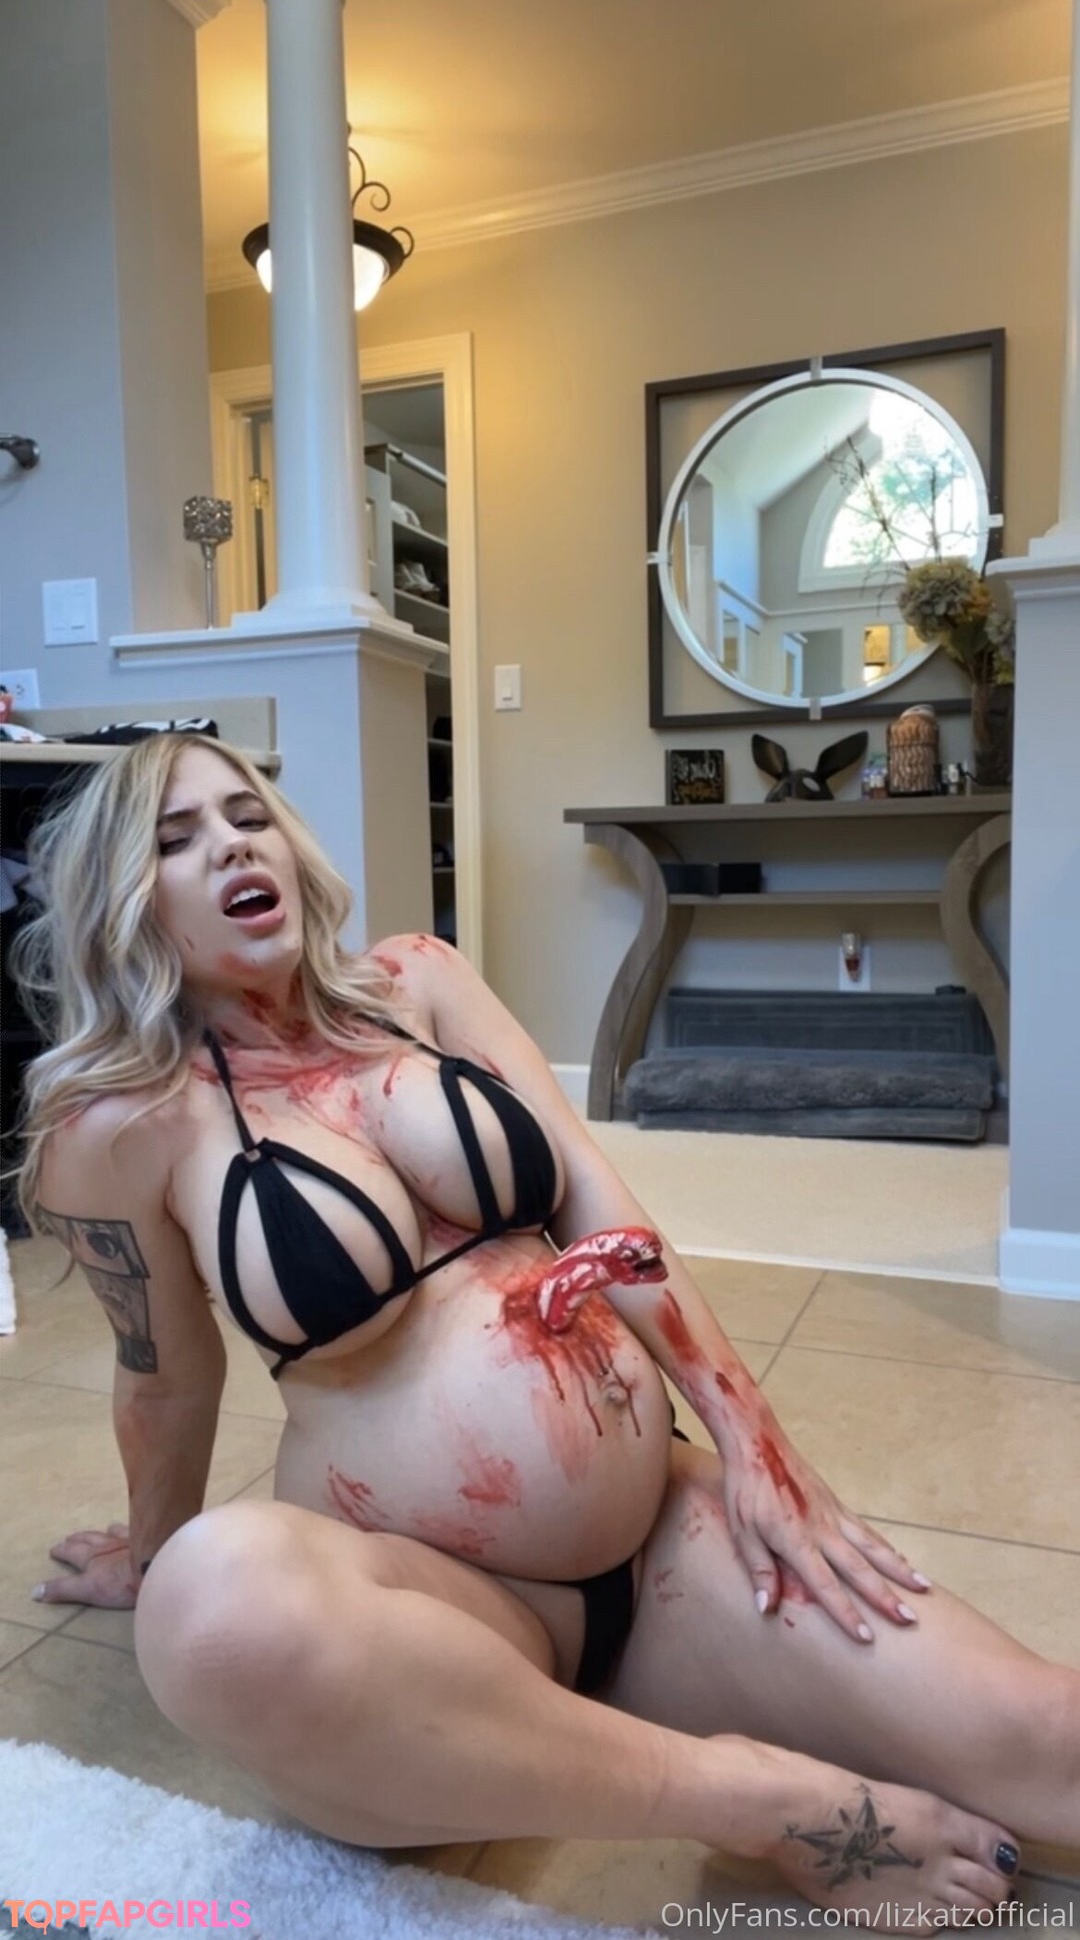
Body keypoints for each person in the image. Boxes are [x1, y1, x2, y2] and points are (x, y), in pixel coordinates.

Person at [14, 734, 1078, 1928]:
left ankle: (623, 1730)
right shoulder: (125, 1125)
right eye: (177, 839)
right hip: (430, 1616)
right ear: (125, 899)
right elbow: (165, 1375)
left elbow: (594, 1195)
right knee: (209, 1602)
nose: (230, 846)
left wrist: (758, 1444)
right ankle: (757, 1800)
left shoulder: (417, 983)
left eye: (247, 815)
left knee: (1046, 1738)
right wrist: (151, 1550)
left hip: (657, 1540)